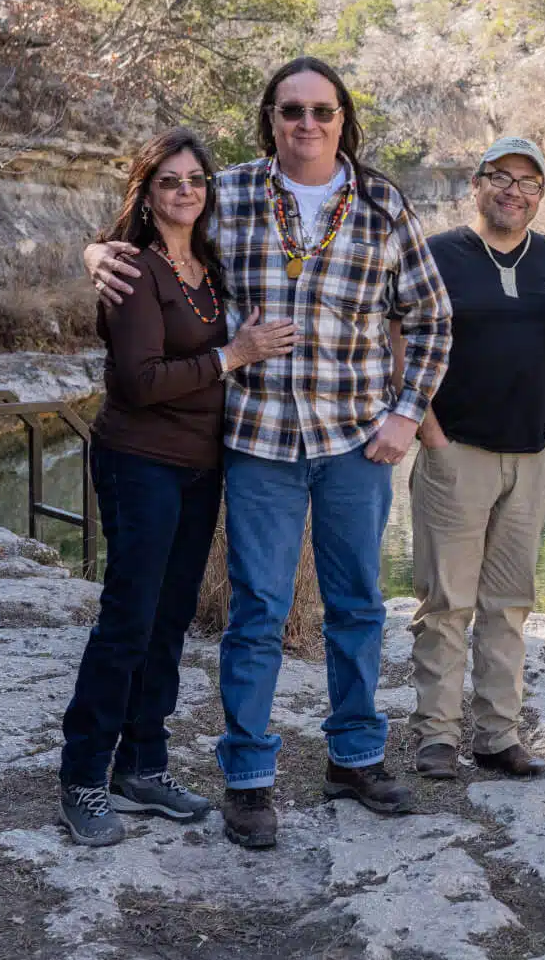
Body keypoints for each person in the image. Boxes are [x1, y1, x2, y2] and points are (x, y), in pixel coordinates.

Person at [85, 57, 451, 850]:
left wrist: (407, 412)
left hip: (356, 441)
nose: (307, 124)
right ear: (271, 119)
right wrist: (95, 252)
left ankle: (355, 757)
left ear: (344, 119)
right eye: (292, 111)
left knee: (357, 605)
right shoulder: (233, 194)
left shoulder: (384, 203)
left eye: (322, 110)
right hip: (258, 442)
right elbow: (157, 231)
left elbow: (431, 319)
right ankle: (249, 777)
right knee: (257, 612)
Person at [60, 129, 280, 846]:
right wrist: (233, 355)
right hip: (139, 461)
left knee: (170, 619)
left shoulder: (210, 265)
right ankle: (83, 776)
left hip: (200, 466)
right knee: (128, 619)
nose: (186, 190)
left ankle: (143, 765)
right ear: (147, 195)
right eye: (170, 181)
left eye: (196, 180)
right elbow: (139, 381)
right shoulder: (133, 269)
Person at [408, 137, 545, 780]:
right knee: (445, 602)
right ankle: (437, 738)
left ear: (540, 194)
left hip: (532, 458)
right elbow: (396, 343)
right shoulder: (436, 255)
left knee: (509, 602)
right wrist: (430, 432)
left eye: (528, 182)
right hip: (455, 453)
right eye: (501, 177)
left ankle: (498, 736)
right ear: (477, 183)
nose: (513, 191)